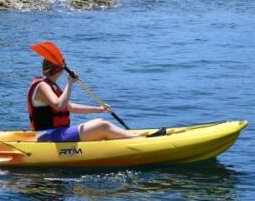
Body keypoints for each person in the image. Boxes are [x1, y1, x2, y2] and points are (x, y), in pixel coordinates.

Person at [27, 59, 165, 142]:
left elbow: (70, 107)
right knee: (101, 126)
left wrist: (99, 109)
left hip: (58, 133)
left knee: (101, 123)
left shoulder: (51, 86)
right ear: (57, 70)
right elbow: (58, 105)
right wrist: (69, 84)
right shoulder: (42, 86)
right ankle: (139, 142)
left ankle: (133, 138)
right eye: (58, 67)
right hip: (48, 135)